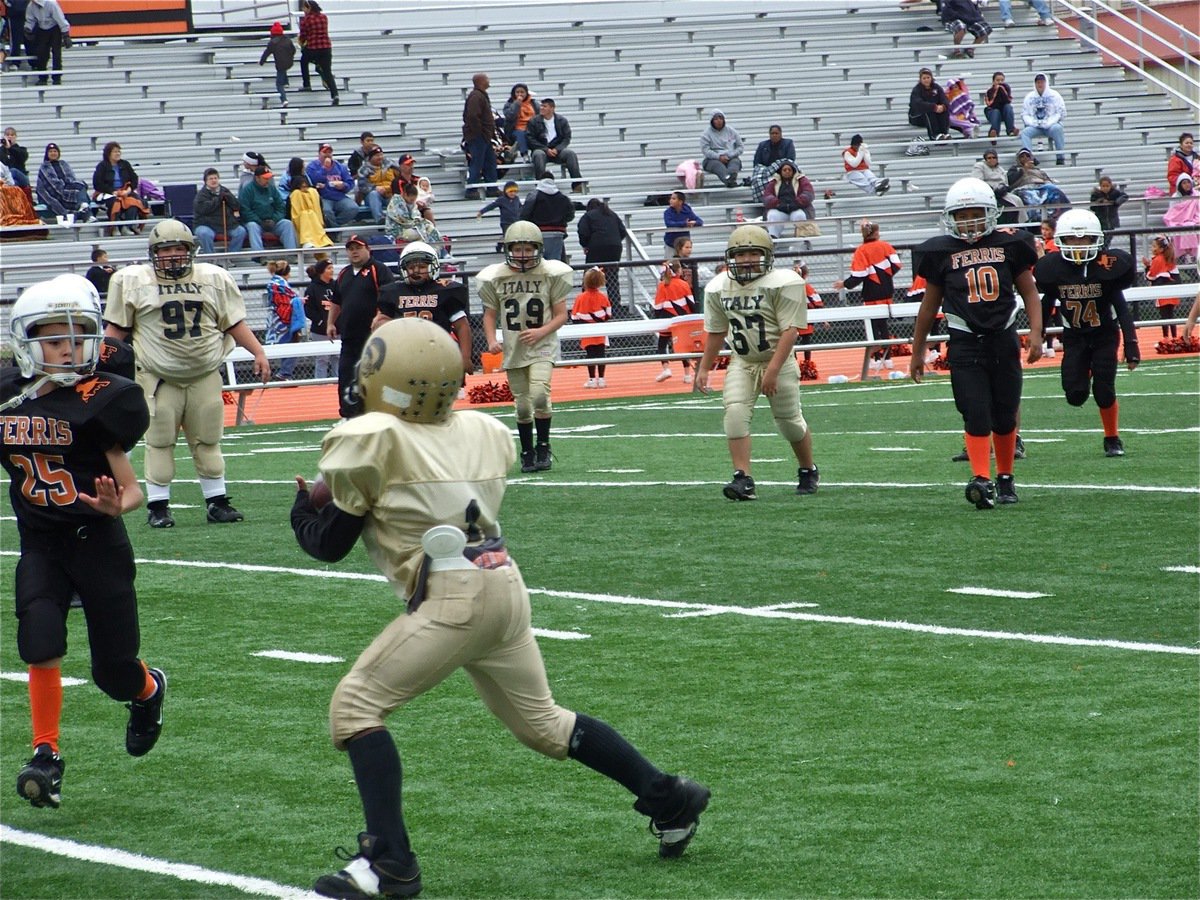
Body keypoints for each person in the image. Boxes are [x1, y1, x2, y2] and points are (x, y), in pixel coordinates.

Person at [289, 317, 710, 898]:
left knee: (355, 708)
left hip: (452, 598)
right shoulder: (481, 431)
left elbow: (329, 544)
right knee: (546, 725)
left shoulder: (374, 439)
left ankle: (388, 861)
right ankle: (669, 797)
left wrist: (301, 510)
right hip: (503, 583)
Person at [2, 275, 167, 812]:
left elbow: (132, 488)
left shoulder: (102, 399)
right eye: (55, 340)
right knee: (39, 637)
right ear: (27, 343)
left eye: (78, 338)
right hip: (41, 543)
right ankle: (45, 753)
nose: (69, 350)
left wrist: (118, 506)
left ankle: (147, 691)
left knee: (113, 672)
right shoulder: (9, 397)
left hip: (96, 541)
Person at [103, 220, 270, 527]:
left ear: (191, 250)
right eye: (165, 249)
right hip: (158, 377)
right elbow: (117, 329)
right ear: (154, 253)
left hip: (203, 374)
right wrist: (101, 363)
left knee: (208, 440)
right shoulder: (134, 281)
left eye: (179, 248)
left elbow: (232, 323)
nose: (172, 255)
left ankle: (217, 502)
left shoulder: (213, 278)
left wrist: (258, 352)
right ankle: (158, 506)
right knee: (159, 441)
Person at [909, 177, 1043, 509]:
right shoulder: (941, 251)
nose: (969, 221)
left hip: (1003, 337)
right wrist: (917, 351)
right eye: (963, 215)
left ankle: (1006, 477)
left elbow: (1029, 292)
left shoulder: (1010, 244)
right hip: (965, 341)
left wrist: (1036, 332)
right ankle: (982, 478)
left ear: (990, 212)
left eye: (975, 214)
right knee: (975, 411)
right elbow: (928, 306)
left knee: (1005, 414)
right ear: (951, 217)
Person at [694, 225, 820, 501]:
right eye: (740, 254)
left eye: (753, 253)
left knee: (789, 423)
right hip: (743, 361)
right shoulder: (719, 287)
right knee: (735, 415)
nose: (747, 259)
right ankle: (743, 478)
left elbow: (790, 331)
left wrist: (772, 371)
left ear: (767, 256)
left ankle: (807, 468)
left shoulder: (783, 282)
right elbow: (716, 330)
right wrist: (704, 367)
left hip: (779, 361)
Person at [1034, 209, 1139, 458]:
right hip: (1074, 337)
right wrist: (1037, 334)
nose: (1078, 245)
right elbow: (1047, 303)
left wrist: (1131, 344)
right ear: (1061, 240)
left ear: (1096, 239)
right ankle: (1085, 371)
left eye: (1084, 239)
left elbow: (1121, 308)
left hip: (1104, 335)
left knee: (1104, 391)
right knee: (1075, 395)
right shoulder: (1055, 269)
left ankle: (1112, 438)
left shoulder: (1106, 267)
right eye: (1072, 239)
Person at [480, 221, 573, 472]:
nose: (523, 254)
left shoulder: (550, 273)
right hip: (514, 348)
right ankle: (527, 451)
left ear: (537, 249)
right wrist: (491, 340)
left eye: (528, 249)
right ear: (509, 249)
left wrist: (541, 331)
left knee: (540, 395)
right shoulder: (497, 276)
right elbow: (489, 315)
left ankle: (543, 446)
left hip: (542, 345)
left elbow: (561, 315)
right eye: (518, 249)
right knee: (522, 406)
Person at [376, 241, 473, 381]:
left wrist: (465, 357)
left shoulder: (444, 290)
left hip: (440, 355)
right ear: (404, 269)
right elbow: (381, 325)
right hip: (405, 357)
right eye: (411, 267)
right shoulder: (393, 292)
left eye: (422, 267)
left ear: (433, 266)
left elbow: (462, 326)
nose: (416, 271)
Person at [327, 234, 395, 419]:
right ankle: (348, 415)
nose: (354, 252)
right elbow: (336, 301)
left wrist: (380, 316)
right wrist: (331, 322)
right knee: (347, 376)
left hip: (373, 338)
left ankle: (379, 413)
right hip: (349, 336)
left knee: (376, 376)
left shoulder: (378, 270)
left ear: (368, 249)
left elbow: (389, 297)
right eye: (351, 249)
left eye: (358, 248)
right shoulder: (344, 274)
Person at [833, 220, 903, 371]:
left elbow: (859, 275)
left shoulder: (861, 251)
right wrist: (886, 276)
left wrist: (844, 284)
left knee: (873, 327)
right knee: (883, 325)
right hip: (887, 291)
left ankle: (876, 358)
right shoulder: (886, 246)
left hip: (871, 292)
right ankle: (888, 359)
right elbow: (897, 265)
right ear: (876, 233)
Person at [576, 196, 629, 309]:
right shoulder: (612, 214)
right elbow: (623, 231)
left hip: (596, 247)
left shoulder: (588, 216)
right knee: (612, 278)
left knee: (590, 276)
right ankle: (615, 307)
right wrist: (614, 241)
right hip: (614, 247)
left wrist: (585, 245)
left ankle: (586, 306)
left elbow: (583, 232)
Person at [653, 258, 697, 384]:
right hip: (681, 321)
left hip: (666, 319)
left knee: (662, 345)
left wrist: (658, 318)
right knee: (682, 347)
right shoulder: (684, 284)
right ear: (678, 270)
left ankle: (666, 368)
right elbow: (691, 303)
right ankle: (687, 375)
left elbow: (658, 306)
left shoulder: (662, 285)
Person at [91, 142, 148, 236]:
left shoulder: (125, 164)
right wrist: (112, 191)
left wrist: (128, 190)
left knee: (134, 201)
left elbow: (134, 179)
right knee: (115, 202)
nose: (118, 154)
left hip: (124, 190)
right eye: (115, 152)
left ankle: (128, 226)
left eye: (119, 151)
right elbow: (97, 184)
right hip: (108, 192)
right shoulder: (102, 166)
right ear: (108, 153)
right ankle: (115, 227)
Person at [239, 163, 299, 252]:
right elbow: (245, 211)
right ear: (257, 178)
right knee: (252, 226)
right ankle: (258, 254)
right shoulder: (247, 190)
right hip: (257, 223)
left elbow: (280, 207)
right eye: (265, 178)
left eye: (269, 178)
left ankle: (292, 252)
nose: (268, 180)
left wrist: (274, 219)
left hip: (272, 222)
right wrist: (260, 221)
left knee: (287, 224)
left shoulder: (272, 189)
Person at [527, 97, 584, 190]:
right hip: (541, 149)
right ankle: (540, 185)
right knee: (538, 154)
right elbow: (530, 139)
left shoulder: (562, 121)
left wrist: (557, 149)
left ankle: (577, 185)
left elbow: (567, 138)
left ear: (552, 108)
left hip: (557, 151)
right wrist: (546, 149)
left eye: (544, 106)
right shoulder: (533, 121)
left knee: (570, 154)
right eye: (541, 106)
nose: (541, 108)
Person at [572, 266, 613, 388]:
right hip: (600, 330)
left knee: (590, 355)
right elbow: (608, 314)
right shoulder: (603, 297)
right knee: (601, 354)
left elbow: (574, 317)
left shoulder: (580, 297)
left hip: (587, 331)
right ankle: (601, 379)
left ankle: (591, 379)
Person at [192, 167, 247, 256]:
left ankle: (231, 256)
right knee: (204, 233)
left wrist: (230, 199)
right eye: (211, 179)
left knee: (241, 231)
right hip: (206, 224)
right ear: (205, 181)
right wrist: (218, 200)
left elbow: (236, 206)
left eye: (215, 178)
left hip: (226, 225)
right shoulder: (201, 195)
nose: (214, 180)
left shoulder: (225, 191)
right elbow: (203, 209)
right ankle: (211, 257)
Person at [519, 177, 574, 263]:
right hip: (557, 232)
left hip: (538, 232)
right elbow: (570, 215)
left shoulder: (534, 196)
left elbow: (525, 213)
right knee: (554, 262)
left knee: (537, 262)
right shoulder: (563, 198)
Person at [265, 259, 304, 380]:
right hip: (284, 319)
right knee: (292, 344)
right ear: (286, 273)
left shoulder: (273, 283)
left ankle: (285, 372)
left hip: (275, 318)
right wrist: (299, 300)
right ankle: (285, 372)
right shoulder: (281, 284)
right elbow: (289, 301)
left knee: (286, 344)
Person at [306, 143, 360, 228]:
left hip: (339, 197)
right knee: (326, 211)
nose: (327, 155)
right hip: (323, 197)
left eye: (329, 152)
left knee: (353, 208)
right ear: (319, 154)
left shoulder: (340, 167)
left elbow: (350, 182)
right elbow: (313, 180)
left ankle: (335, 227)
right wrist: (324, 169)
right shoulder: (312, 166)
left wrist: (343, 186)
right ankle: (335, 230)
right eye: (325, 152)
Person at [463, 73, 498, 201]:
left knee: (490, 162)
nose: (489, 81)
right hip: (479, 136)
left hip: (484, 136)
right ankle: (471, 189)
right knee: (477, 162)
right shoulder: (476, 96)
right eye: (486, 79)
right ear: (481, 81)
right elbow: (472, 116)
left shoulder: (479, 95)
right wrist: (479, 132)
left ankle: (492, 188)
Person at [1007, 148, 1069, 220]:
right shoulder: (1014, 169)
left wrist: (1043, 181)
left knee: (1054, 189)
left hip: (1040, 187)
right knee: (1031, 196)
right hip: (1023, 189)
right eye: (1022, 156)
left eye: (1027, 156)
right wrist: (1024, 169)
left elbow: (1047, 180)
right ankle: (1034, 219)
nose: (1025, 158)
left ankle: (1063, 214)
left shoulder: (1038, 171)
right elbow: (1010, 181)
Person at [36, 141, 90, 221]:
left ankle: (84, 208)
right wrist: (64, 187)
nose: (53, 153)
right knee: (79, 188)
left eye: (55, 151)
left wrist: (68, 186)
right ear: (47, 154)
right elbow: (51, 184)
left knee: (80, 184)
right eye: (50, 151)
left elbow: (71, 178)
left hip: (68, 189)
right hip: (54, 194)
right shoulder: (44, 167)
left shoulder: (64, 164)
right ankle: (87, 214)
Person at [1020, 73, 1066, 165]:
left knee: (1058, 128)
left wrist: (1049, 122)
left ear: (1046, 83)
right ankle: (1029, 159)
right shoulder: (1029, 97)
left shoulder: (1055, 95)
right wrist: (1033, 123)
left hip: (1051, 126)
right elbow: (1025, 114)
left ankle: (1060, 157)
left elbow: (1060, 113)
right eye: (1038, 82)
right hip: (1035, 126)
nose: (1040, 84)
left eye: (1042, 82)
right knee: (1025, 133)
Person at [297, 0, 337, 105]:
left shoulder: (306, 20)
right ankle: (335, 94)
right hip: (326, 47)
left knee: (303, 61)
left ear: (309, 8)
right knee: (328, 71)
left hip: (313, 48)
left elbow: (303, 35)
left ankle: (307, 84)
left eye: (304, 8)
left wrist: (301, 42)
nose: (303, 10)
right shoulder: (324, 17)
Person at [763, 161, 816, 238]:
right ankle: (773, 238)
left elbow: (808, 193)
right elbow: (767, 196)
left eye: (789, 170)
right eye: (784, 170)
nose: (787, 172)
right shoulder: (774, 182)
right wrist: (777, 203)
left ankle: (804, 238)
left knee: (800, 215)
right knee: (772, 215)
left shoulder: (801, 180)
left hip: (797, 208)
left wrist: (797, 203)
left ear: (793, 171)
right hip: (780, 209)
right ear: (780, 171)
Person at [303, 258, 336, 380]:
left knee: (337, 357)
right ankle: (320, 383)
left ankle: (338, 381)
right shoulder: (312, 288)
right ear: (322, 271)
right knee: (322, 358)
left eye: (332, 268)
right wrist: (321, 321)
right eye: (329, 268)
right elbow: (308, 309)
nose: (332, 270)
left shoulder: (337, 285)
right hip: (320, 330)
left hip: (337, 328)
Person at [971, 148, 1023, 224]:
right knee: (1011, 205)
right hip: (987, 194)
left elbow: (1005, 183)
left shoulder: (1000, 169)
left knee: (1017, 200)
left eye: (994, 157)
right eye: (989, 158)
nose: (992, 160)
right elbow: (978, 182)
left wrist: (1004, 188)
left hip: (1001, 192)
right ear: (985, 159)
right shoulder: (979, 166)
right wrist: (992, 189)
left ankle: (1023, 223)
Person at [385, 180, 443, 248]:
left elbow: (416, 215)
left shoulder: (412, 203)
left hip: (411, 227)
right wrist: (419, 224)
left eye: (414, 200)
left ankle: (440, 249)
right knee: (421, 233)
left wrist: (423, 223)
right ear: (405, 194)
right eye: (411, 200)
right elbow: (403, 219)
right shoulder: (396, 202)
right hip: (397, 230)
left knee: (431, 228)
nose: (412, 202)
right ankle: (425, 250)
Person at [1143, 234, 1181, 339]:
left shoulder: (1158, 259)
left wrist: (1147, 267)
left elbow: (1151, 276)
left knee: (1164, 316)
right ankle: (1174, 338)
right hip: (1172, 290)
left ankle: (1166, 339)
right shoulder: (1169, 258)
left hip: (1163, 290)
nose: (1152, 248)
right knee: (1171, 315)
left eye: (1154, 246)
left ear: (1161, 249)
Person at [23, 0, 68, 85]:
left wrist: (65, 34)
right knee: (41, 54)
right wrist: (28, 29)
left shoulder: (52, 3)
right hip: (42, 29)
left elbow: (60, 19)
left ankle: (57, 78)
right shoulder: (31, 6)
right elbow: (30, 20)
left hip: (55, 28)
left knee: (56, 54)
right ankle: (42, 78)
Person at [356, 145, 400, 224]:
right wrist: (375, 188)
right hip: (372, 197)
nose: (380, 157)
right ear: (370, 157)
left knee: (397, 197)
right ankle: (380, 219)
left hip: (390, 193)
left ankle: (399, 220)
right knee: (374, 194)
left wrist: (388, 188)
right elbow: (362, 186)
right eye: (377, 156)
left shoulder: (392, 165)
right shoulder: (364, 169)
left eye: (381, 155)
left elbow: (400, 180)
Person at [288, 172, 333, 249]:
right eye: (302, 187)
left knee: (311, 214)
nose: (305, 189)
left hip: (314, 220)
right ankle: (306, 241)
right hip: (298, 222)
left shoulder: (313, 193)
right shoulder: (294, 195)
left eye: (306, 186)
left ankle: (320, 240)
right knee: (305, 215)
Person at [751, 125, 796, 201]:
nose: (774, 135)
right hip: (766, 171)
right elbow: (757, 162)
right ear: (769, 134)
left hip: (782, 170)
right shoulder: (762, 145)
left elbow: (790, 159)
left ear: (781, 134)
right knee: (757, 179)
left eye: (776, 133)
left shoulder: (788, 143)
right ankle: (763, 199)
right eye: (772, 133)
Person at [699, 110, 743, 188]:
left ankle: (731, 178)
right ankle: (728, 180)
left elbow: (740, 147)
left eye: (721, 118)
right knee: (718, 165)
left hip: (730, 157)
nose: (719, 121)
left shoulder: (732, 131)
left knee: (735, 162)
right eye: (716, 119)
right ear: (712, 121)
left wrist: (730, 155)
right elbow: (705, 150)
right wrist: (718, 157)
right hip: (712, 159)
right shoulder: (706, 134)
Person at [258, 21, 295, 109]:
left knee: (279, 84)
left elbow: (266, 53)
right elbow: (293, 50)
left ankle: (284, 99)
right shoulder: (288, 40)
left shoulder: (272, 43)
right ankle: (286, 82)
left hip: (280, 64)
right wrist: (290, 56)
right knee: (284, 68)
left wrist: (261, 62)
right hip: (289, 62)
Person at [908, 68, 952, 141]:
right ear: (920, 79)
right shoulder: (916, 90)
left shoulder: (937, 87)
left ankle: (944, 134)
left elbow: (945, 100)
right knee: (929, 111)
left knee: (944, 111)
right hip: (917, 116)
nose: (926, 80)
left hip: (934, 115)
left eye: (928, 77)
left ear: (931, 78)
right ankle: (934, 135)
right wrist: (933, 107)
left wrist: (942, 107)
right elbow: (917, 104)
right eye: (924, 78)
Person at [477, 179, 521, 250]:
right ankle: (506, 249)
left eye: (515, 192)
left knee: (515, 235)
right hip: (506, 222)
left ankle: (501, 243)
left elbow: (520, 207)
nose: (513, 193)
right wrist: (482, 212)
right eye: (510, 192)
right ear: (506, 191)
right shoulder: (501, 200)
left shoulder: (516, 199)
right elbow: (491, 206)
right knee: (507, 236)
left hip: (515, 221)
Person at [1164, 173, 1199, 263]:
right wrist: (1183, 220)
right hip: (1179, 222)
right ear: (1180, 185)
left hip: (1196, 221)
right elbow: (1173, 214)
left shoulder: (1197, 195)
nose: (1187, 185)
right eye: (1184, 183)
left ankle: (1193, 255)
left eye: (1188, 182)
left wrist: (1193, 220)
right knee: (1182, 227)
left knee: (1190, 225)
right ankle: (1184, 255)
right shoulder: (1175, 197)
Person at [503, 82, 537, 158]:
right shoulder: (509, 104)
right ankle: (524, 154)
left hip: (531, 128)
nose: (520, 94)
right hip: (515, 129)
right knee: (521, 134)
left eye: (522, 92)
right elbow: (510, 116)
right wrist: (517, 104)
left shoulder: (533, 103)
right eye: (517, 92)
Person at [1089, 174, 1128, 240]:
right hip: (1101, 221)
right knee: (1101, 238)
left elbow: (1125, 196)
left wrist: (1116, 202)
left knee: (1109, 238)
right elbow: (1092, 207)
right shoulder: (1096, 194)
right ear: (1100, 186)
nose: (1105, 188)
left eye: (1107, 186)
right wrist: (1100, 202)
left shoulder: (1115, 193)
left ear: (1110, 185)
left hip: (1111, 221)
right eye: (1103, 186)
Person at [983, 71, 1017, 139]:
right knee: (996, 112)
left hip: (1003, 112)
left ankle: (1011, 130)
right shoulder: (989, 91)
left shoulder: (1006, 88)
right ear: (993, 81)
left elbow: (1008, 101)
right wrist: (996, 92)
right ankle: (994, 132)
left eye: (1002, 80)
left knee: (1008, 107)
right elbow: (990, 104)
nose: (1000, 82)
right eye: (997, 80)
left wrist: (1002, 91)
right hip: (992, 111)